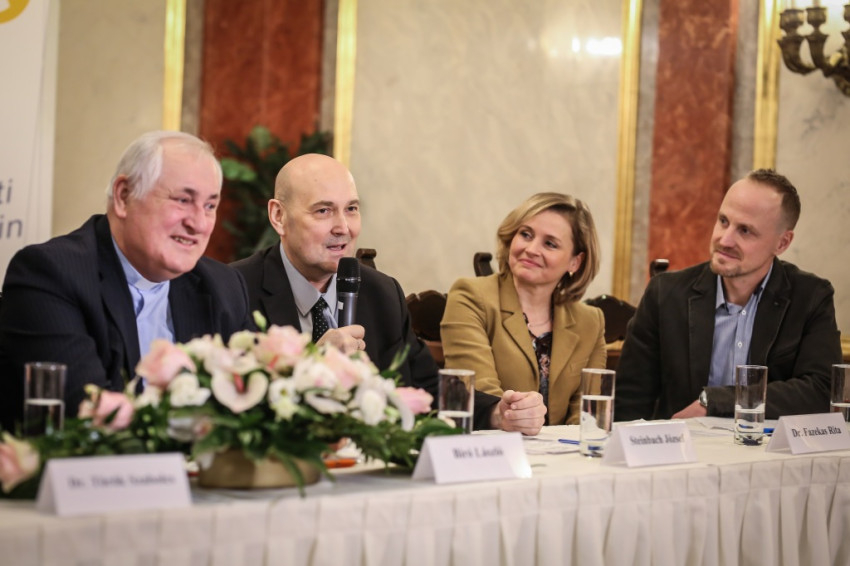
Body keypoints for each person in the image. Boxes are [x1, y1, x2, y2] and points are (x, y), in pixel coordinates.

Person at [231, 153, 546, 434]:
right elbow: (229, 408)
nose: (343, 228)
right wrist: (311, 366)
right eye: (324, 211)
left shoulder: (380, 292)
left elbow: (425, 389)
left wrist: (495, 413)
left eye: (351, 209)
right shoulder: (234, 290)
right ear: (278, 216)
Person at [0, 131, 252, 431]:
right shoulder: (50, 275)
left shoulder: (223, 287)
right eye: (183, 200)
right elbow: (88, 415)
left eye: (210, 206)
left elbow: (251, 411)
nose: (198, 223)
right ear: (124, 196)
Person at [615, 169, 842, 421]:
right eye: (723, 221)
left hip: (766, 445)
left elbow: (821, 390)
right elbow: (629, 401)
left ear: (782, 243)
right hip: (683, 444)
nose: (725, 240)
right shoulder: (665, 294)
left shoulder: (810, 297)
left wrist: (716, 401)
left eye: (745, 230)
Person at [441, 193, 607, 426]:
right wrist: (511, 418)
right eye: (526, 234)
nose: (531, 249)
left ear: (575, 262)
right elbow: (481, 395)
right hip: (495, 441)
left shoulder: (591, 321)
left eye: (550, 244)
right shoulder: (470, 296)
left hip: (563, 448)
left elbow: (586, 413)